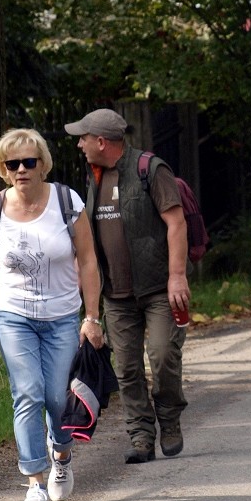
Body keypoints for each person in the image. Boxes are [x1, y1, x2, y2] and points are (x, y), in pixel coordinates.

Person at [0, 129, 104, 501]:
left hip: (63, 315)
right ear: (3, 169)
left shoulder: (66, 201)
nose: (22, 169)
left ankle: (61, 456)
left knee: (57, 397)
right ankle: (34, 482)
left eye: (30, 161)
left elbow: (89, 260)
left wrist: (91, 317)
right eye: (13, 164)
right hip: (13, 316)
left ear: (43, 163)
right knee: (27, 393)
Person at [65, 108, 190, 464]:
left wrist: (177, 275)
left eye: (84, 137)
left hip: (159, 288)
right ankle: (140, 436)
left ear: (101, 141)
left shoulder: (150, 169)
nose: (79, 144)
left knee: (164, 356)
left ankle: (169, 418)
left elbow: (176, 223)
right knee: (128, 369)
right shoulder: (95, 176)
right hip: (115, 294)